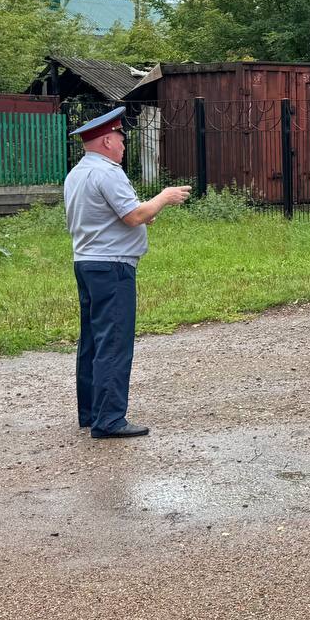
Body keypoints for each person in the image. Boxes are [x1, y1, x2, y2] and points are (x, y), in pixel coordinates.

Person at [63, 106, 191, 439]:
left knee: (93, 340)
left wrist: (145, 212)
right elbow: (133, 216)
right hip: (113, 266)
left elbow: (117, 214)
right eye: (120, 138)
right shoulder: (108, 172)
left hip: (87, 262)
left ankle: (91, 412)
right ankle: (109, 420)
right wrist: (164, 197)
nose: (123, 144)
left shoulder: (77, 173)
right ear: (107, 140)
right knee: (114, 341)